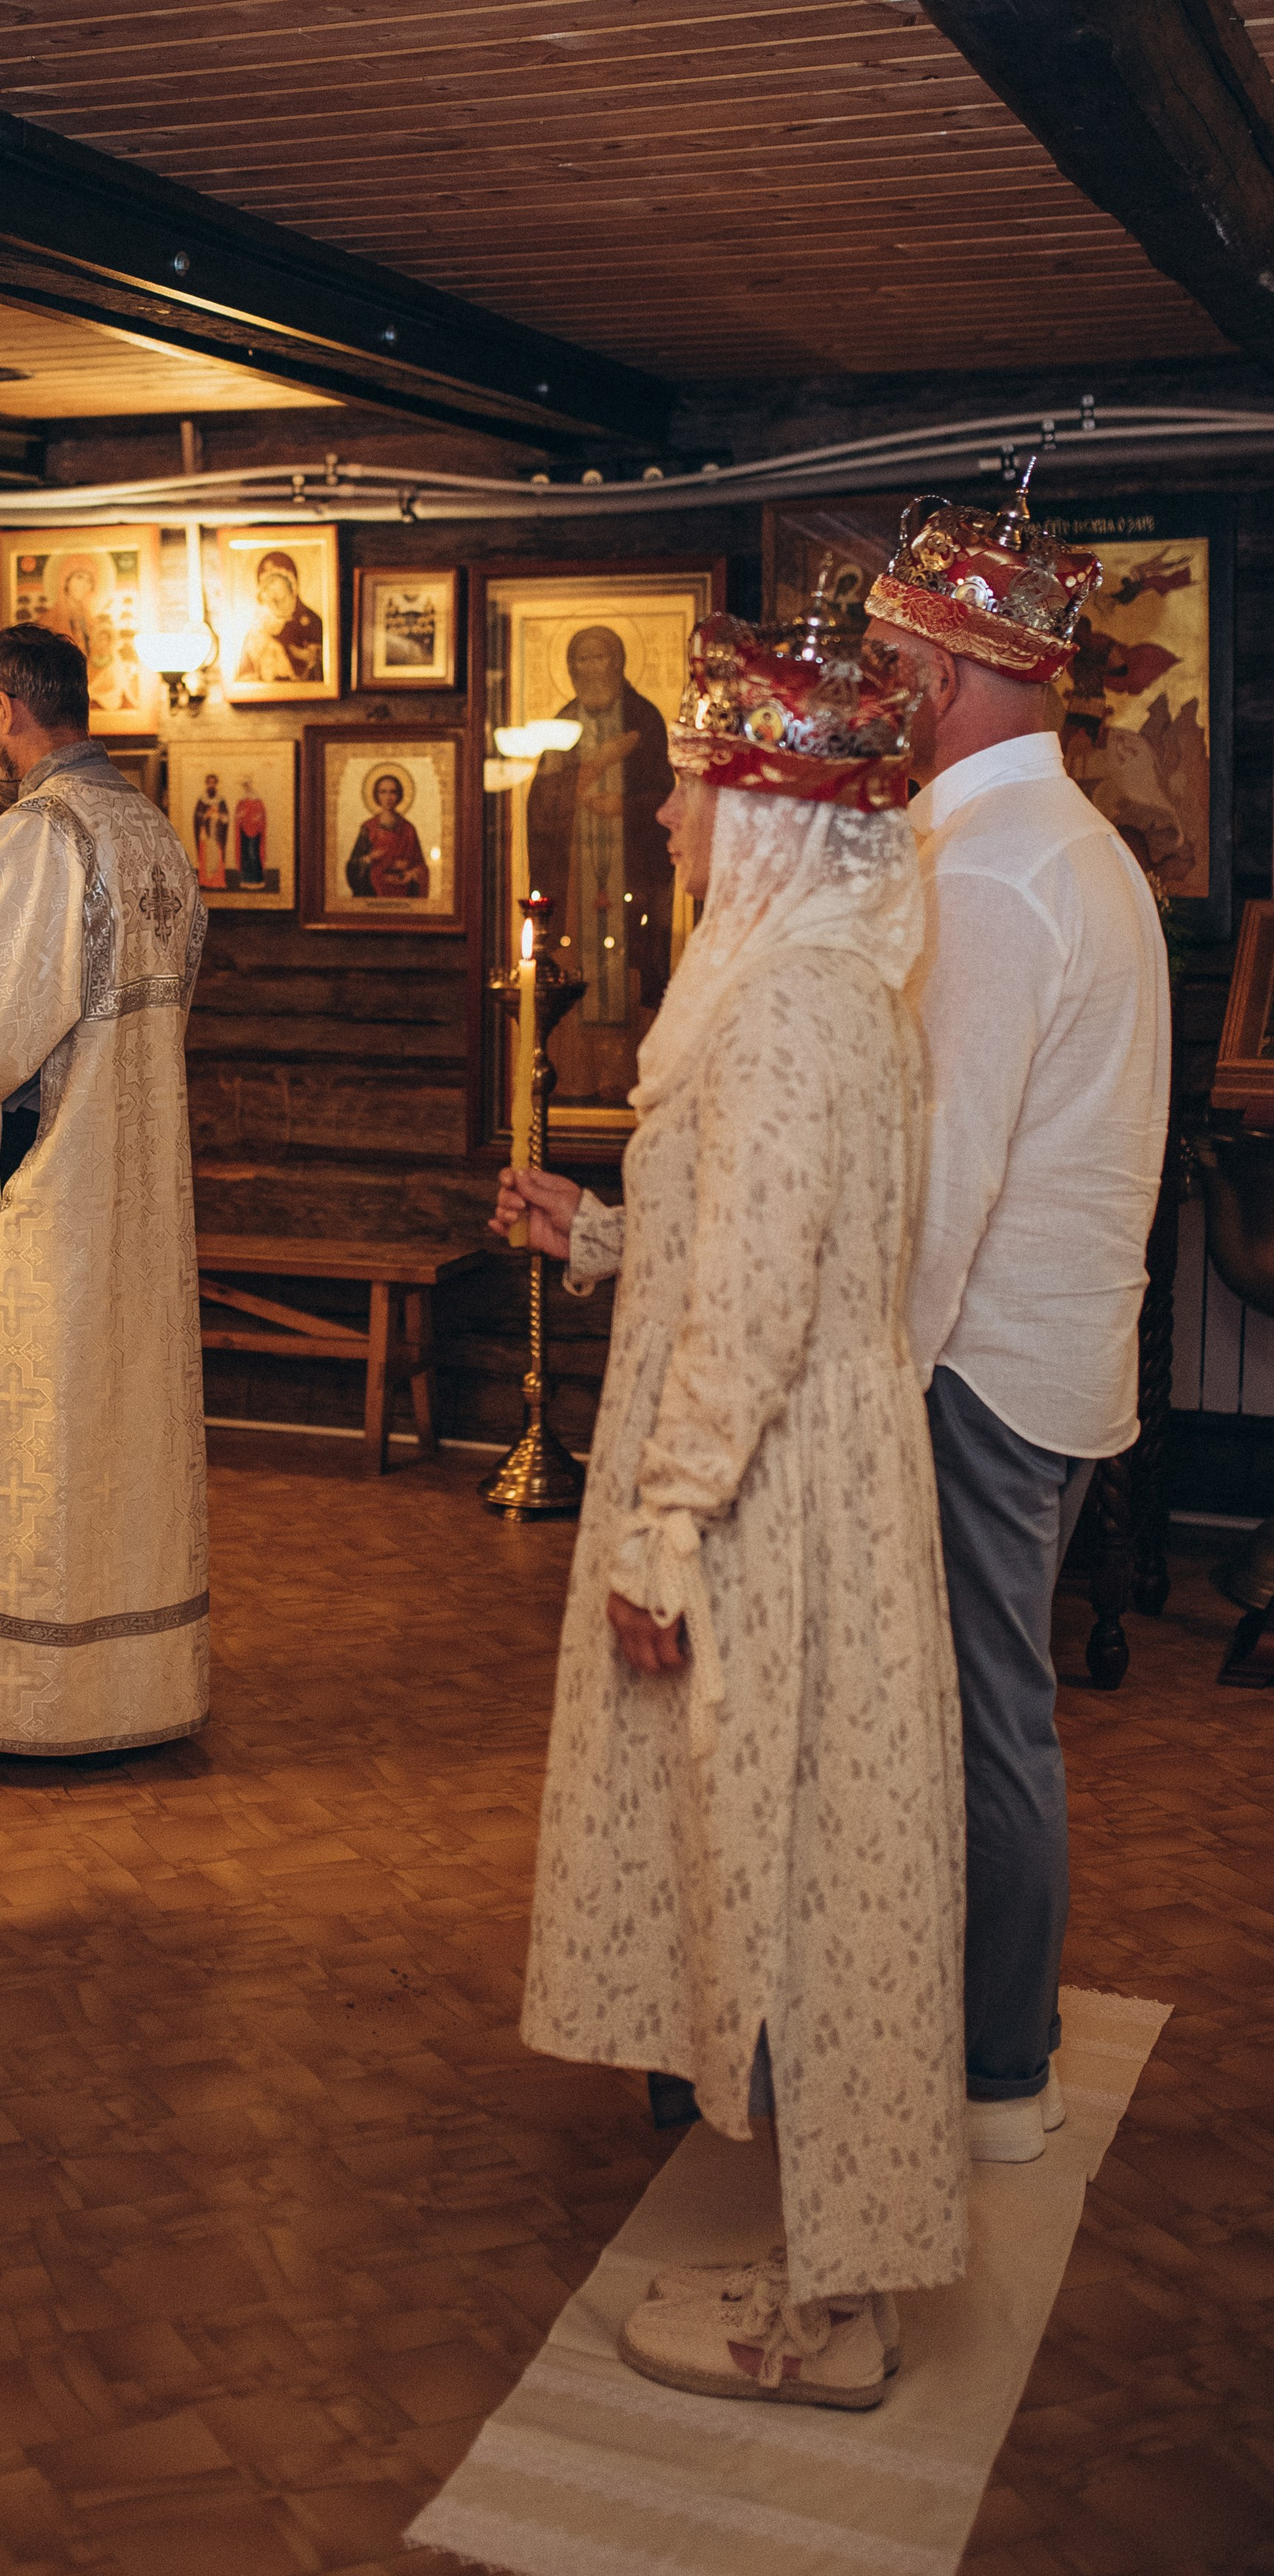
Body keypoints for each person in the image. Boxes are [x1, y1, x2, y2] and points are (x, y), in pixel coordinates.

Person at [497, 610, 967, 2408]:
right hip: (822, 1464)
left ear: (768, 816)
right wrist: (607, 1234)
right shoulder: (829, 986)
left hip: (771, 1501)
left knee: (817, 1873)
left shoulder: (778, 1009)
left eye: (693, 789)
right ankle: (837, 2259)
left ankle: (836, 2304)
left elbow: (762, 1310)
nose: (666, 817)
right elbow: (766, 1248)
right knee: (817, 1857)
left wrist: (660, 1529)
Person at [866, 483, 1170, 2164]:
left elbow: (942, 1175)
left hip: (975, 1362)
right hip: (1047, 1348)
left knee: (987, 1719)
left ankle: (995, 2072)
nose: (884, 693)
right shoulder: (1070, 846)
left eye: (895, 663)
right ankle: (978, 2040)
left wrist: (870, 1384)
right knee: (987, 1709)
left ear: (944, 674)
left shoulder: (992, 871)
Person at [0, 625, 210, 1756]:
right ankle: (129, 1689)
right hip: (131, 1200)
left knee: (28, 1441)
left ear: (7, 707)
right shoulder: (150, 831)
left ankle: (20, 1692)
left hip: (39, 1205)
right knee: (114, 1438)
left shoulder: (39, 835)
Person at [525, 623, 674, 1096]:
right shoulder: (563, 723)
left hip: (632, 870)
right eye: (581, 659)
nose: (591, 668)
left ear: (620, 662)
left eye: (600, 656)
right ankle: (577, 1076)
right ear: (570, 668)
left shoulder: (645, 720)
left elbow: (669, 798)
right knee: (576, 961)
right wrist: (594, 765)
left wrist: (625, 806)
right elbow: (541, 804)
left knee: (631, 961)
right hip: (574, 872)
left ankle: (629, 1080)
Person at [234, 555, 325, 684]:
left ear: (289, 581)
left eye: (273, 581)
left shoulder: (311, 621)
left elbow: (319, 669)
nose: (270, 588)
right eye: (265, 585)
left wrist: (302, 655)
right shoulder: (260, 626)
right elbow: (246, 673)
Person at [344, 770, 430, 899]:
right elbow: (353, 866)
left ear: (399, 795)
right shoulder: (368, 828)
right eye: (383, 792)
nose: (388, 798)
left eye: (393, 792)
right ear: (376, 795)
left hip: (404, 892)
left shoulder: (408, 829)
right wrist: (370, 858)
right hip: (373, 891)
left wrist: (412, 873)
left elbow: (420, 866)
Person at [193, 772, 229, 889]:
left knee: (217, 857)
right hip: (206, 834)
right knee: (206, 856)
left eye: (213, 783)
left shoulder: (221, 800)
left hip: (217, 834)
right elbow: (197, 816)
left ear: (216, 784)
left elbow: (226, 818)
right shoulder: (202, 800)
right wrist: (207, 814)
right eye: (209, 783)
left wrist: (219, 815)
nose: (211, 785)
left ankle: (217, 882)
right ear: (207, 784)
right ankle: (206, 881)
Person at [234, 777, 267, 888]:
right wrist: (240, 816)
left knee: (253, 854)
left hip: (255, 831)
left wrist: (256, 818)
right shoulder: (241, 801)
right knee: (245, 854)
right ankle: (246, 880)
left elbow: (261, 815)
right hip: (244, 830)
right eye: (244, 786)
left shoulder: (257, 801)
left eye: (247, 785)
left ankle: (257, 880)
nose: (246, 787)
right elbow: (238, 815)